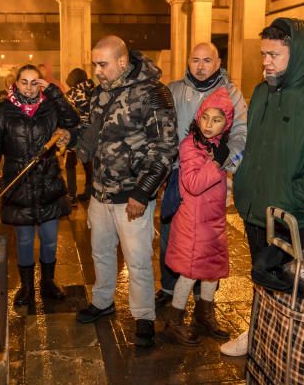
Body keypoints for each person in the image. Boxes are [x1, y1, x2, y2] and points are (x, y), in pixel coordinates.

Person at [225, 18, 304, 356]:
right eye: (264, 54)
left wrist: (292, 200)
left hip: (291, 214)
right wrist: (243, 182)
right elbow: (255, 145)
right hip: (256, 208)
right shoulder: (262, 91)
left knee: (293, 285)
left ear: (300, 54)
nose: (266, 62)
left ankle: (289, 346)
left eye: (274, 54)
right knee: (262, 277)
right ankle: (259, 332)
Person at [74, 36, 178, 348]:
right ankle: (103, 301)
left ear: (122, 62)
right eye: (94, 64)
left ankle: (144, 316)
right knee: (101, 252)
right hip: (100, 193)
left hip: (131, 196)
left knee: (138, 260)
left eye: (102, 64)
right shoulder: (100, 93)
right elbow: (94, 130)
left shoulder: (153, 93)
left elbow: (166, 147)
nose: (96, 71)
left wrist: (143, 193)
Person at [156, 42, 247, 312]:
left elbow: (241, 134)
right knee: (172, 235)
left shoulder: (231, 93)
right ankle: (170, 288)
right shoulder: (173, 90)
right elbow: (161, 130)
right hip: (177, 173)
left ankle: (203, 298)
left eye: (207, 60)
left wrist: (228, 163)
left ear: (218, 63)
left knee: (209, 236)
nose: (201, 66)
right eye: (195, 59)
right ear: (187, 61)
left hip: (212, 175)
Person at [0, 64, 79, 306]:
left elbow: (72, 119)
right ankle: (27, 287)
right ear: (15, 84)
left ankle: (48, 282)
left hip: (48, 181)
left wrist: (55, 93)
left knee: (49, 239)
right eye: (24, 81)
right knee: (25, 240)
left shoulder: (49, 106)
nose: (29, 87)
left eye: (34, 81)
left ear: (41, 83)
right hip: (19, 183)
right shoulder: (5, 110)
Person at [163, 88, 236, 345]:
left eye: (216, 120)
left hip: (212, 220)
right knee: (191, 271)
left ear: (226, 123)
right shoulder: (190, 145)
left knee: (211, 270)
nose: (209, 125)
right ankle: (174, 320)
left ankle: (205, 314)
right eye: (205, 118)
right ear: (198, 116)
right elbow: (193, 183)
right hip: (193, 222)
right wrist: (216, 164)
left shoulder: (216, 145)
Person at [64, 67, 95, 203]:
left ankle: (72, 195)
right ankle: (89, 192)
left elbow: (66, 114)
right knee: (88, 164)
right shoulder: (94, 91)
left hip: (76, 133)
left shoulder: (72, 94)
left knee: (70, 164)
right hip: (91, 133)